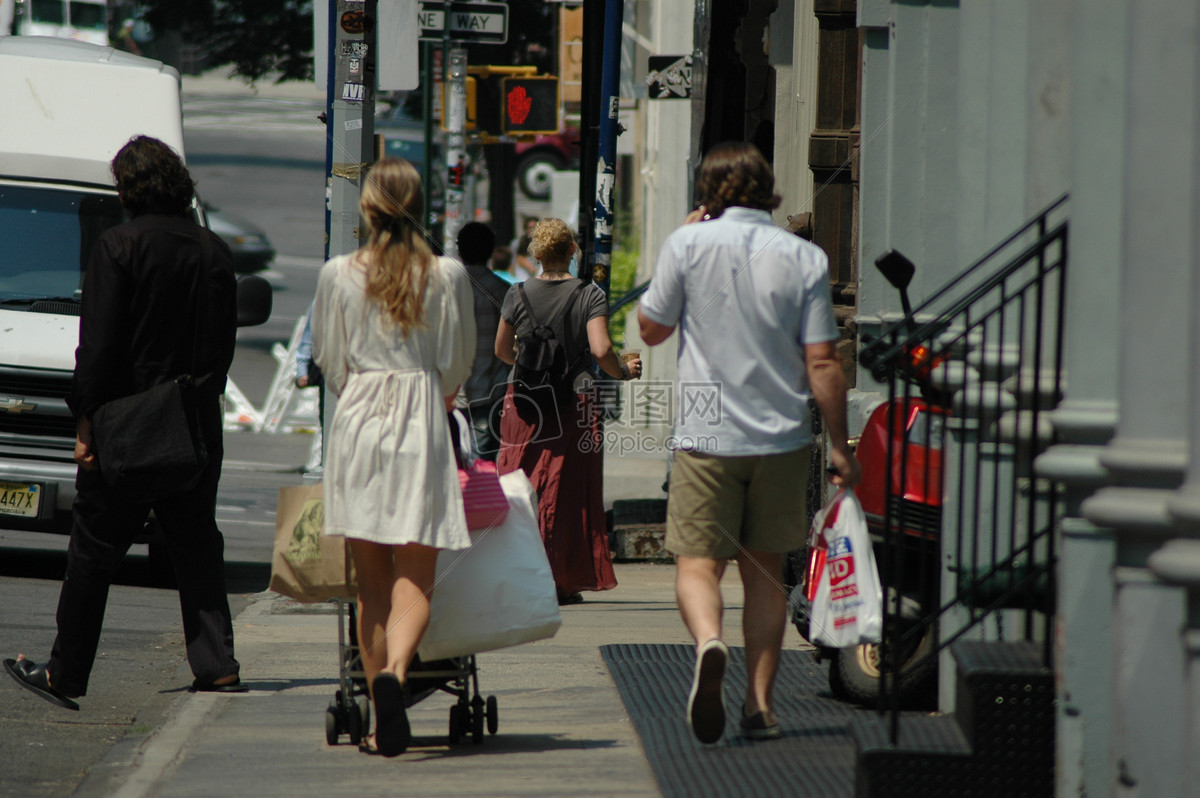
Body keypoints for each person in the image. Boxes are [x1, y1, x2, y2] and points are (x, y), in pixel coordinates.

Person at [4, 136, 244, 710]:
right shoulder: (214, 251)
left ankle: (67, 672)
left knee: (93, 551)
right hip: (192, 424)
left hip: (125, 424)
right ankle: (217, 664)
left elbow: (100, 347)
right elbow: (221, 350)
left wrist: (85, 419)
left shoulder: (117, 247)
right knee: (195, 543)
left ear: (128, 189)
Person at [637, 141, 860, 745]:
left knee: (696, 563)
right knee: (764, 573)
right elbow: (822, 361)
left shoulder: (689, 244)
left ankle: (709, 640)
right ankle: (760, 706)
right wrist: (840, 444)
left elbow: (652, 329)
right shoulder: (803, 257)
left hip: (706, 432)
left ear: (708, 193)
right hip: (782, 436)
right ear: (768, 189)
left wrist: (681, 241)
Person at [312, 157, 475, 757]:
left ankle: (379, 715)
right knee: (416, 575)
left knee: (370, 585)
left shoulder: (337, 274)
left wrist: (359, 395)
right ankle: (394, 680)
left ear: (368, 207)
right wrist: (436, 396)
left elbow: (330, 360)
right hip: (421, 415)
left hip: (360, 416)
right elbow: (458, 362)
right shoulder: (447, 273)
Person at [494, 218, 642, 605]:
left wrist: (528, 367)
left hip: (524, 402)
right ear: (573, 251)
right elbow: (600, 350)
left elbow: (501, 350)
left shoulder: (516, 293)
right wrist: (623, 372)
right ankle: (561, 579)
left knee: (519, 484)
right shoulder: (589, 294)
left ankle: (517, 574)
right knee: (568, 491)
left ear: (536, 254)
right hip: (575, 400)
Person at [456, 221, 510, 460]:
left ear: (460, 250)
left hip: (452, 395)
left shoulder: (447, 288)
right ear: (490, 252)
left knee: (452, 469)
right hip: (491, 394)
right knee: (483, 468)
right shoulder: (504, 291)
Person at [510, 216, 539, 281]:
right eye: (529, 228)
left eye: (534, 227)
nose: (532, 230)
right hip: (521, 278)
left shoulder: (541, 244)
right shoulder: (517, 243)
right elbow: (513, 261)